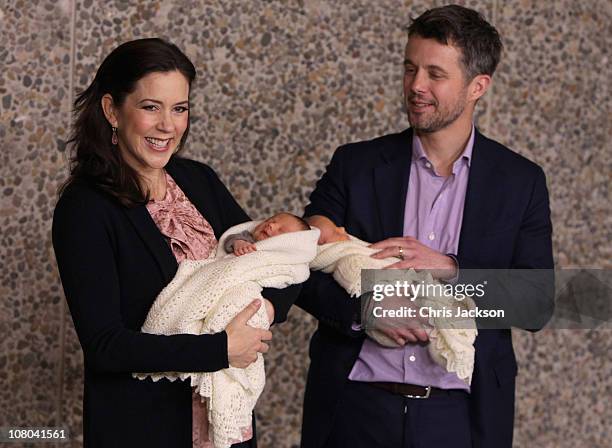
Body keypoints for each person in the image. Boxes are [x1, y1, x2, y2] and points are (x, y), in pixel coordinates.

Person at [297, 5, 554, 448]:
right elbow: (298, 268)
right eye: (410, 68)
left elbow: (537, 303)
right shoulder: (355, 164)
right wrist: (364, 312)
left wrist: (452, 270)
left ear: (478, 86)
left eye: (435, 74)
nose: (416, 85)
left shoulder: (521, 182)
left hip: (461, 418)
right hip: (353, 409)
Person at [52, 38, 300, 448]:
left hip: (226, 425)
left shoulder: (198, 180)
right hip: (144, 429)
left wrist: (263, 310)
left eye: (179, 108)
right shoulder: (85, 209)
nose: (168, 125)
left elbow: (281, 258)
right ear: (112, 110)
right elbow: (105, 346)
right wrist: (221, 349)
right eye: (151, 107)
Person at [224, 212, 311, 256]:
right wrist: (239, 242)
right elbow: (231, 237)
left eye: (281, 230)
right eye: (270, 220)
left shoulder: (282, 259)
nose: (271, 225)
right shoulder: (248, 238)